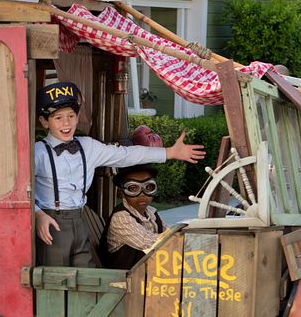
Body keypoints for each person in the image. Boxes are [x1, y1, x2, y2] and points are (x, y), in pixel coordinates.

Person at [34, 81, 204, 267]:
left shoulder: (87, 146)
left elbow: (125, 155)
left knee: (87, 278)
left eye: (71, 116)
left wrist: (169, 153)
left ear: (77, 117)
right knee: (54, 279)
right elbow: (22, 189)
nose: (66, 123)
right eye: (58, 118)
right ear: (44, 121)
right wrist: (38, 213)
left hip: (79, 220)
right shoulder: (38, 152)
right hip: (52, 222)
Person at [101, 165, 166, 270]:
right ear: (122, 192)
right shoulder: (121, 217)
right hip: (125, 277)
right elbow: (148, 242)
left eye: (148, 187)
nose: (142, 194)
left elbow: (169, 233)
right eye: (133, 188)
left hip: (145, 272)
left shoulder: (151, 212)